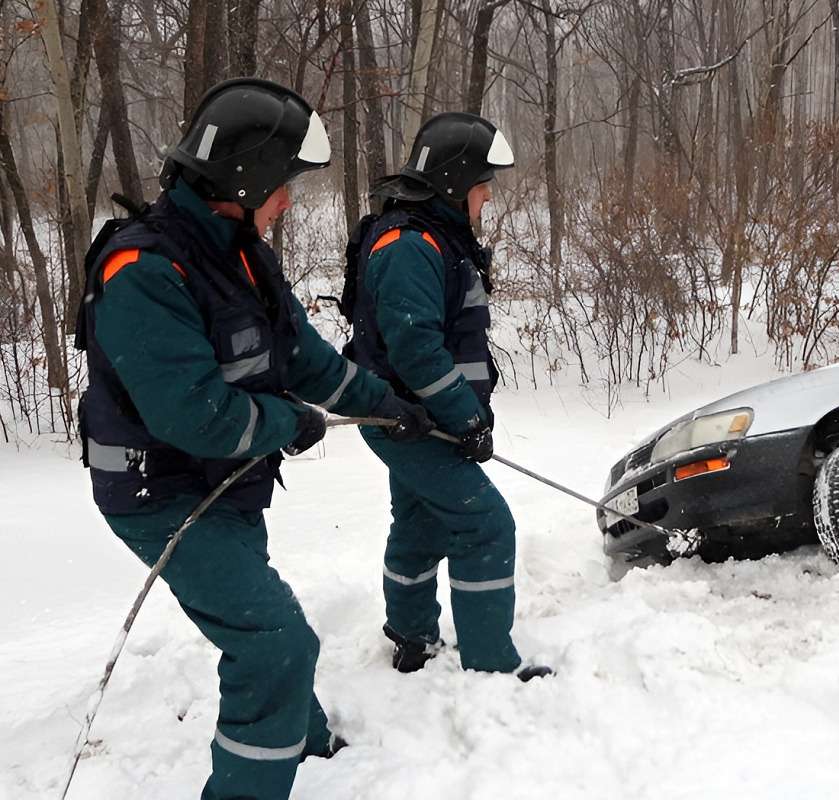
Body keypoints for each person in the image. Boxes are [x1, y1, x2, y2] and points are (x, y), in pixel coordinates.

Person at [77, 78, 432, 799]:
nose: (288, 201)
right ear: (247, 179)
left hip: (225, 481)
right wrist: (284, 423)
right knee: (272, 642)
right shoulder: (144, 270)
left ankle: (305, 743)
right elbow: (194, 414)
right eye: (284, 186)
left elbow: (304, 358)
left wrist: (388, 403)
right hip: (159, 492)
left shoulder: (240, 252)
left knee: (267, 620)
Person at [341, 112, 550, 681]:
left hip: (415, 414)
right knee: (485, 525)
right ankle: (490, 663)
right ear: (456, 184)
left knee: (420, 523)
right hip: (411, 417)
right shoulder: (411, 245)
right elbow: (415, 350)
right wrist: (465, 418)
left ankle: (412, 637)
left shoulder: (433, 236)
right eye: (483, 186)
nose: (487, 198)